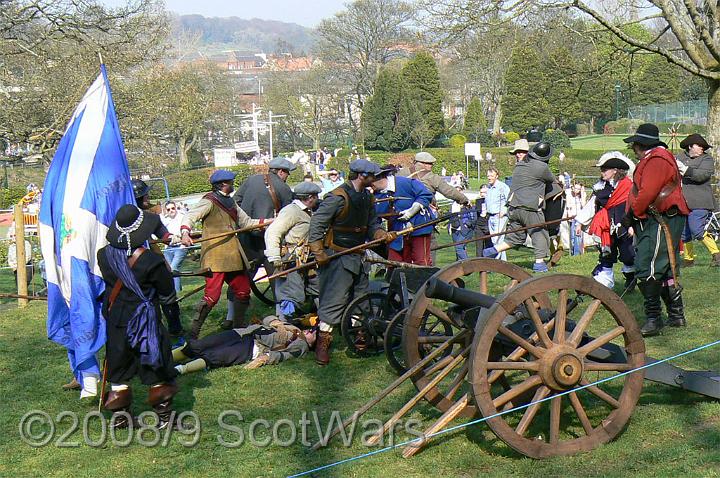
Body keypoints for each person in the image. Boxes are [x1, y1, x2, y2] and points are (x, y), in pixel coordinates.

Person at [98, 205, 179, 429]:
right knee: (155, 365)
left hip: (116, 319)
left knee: (119, 366)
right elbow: (167, 294)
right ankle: (165, 419)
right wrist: (173, 321)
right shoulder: (151, 261)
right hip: (145, 320)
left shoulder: (103, 256)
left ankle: (120, 418)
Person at [307, 159, 395, 365]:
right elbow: (317, 224)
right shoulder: (337, 197)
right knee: (333, 301)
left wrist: (380, 233)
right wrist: (318, 250)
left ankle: (359, 336)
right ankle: (322, 341)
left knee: (361, 300)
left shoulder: (367, 198)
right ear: (362, 176)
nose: (378, 180)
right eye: (374, 176)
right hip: (337, 257)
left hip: (358, 256)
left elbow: (372, 224)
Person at [623, 123, 690, 337]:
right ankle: (676, 315)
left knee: (648, 266)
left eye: (634, 144)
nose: (633, 148)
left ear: (641, 144)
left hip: (660, 218)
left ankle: (654, 318)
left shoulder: (657, 160)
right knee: (666, 267)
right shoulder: (655, 158)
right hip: (659, 218)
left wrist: (634, 213)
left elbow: (648, 192)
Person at [180, 170, 262, 339]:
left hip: (233, 256)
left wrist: (265, 222)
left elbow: (246, 223)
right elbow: (190, 216)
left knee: (243, 291)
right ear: (223, 184)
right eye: (231, 182)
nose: (233, 185)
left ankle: (238, 329)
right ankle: (193, 333)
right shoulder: (209, 201)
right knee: (211, 297)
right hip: (215, 257)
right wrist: (185, 232)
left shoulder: (231, 202)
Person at [232, 157, 296, 323]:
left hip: (246, 235)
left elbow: (235, 202)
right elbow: (288, 216)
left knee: (242, 275)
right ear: (281, 172)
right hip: (269, 238)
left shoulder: (251, 180)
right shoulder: (284, 188)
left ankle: (230, 316)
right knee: (277, 275)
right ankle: (281, 317)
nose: (287, 177)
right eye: (287, 173)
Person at [482, 140, 559, 272]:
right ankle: (539, 264)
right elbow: (553, 181)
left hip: (514, 207)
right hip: (530, 208)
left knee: (515, 237)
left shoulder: (519, 166)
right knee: (539, 233)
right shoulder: (542, 167)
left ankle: (492, 250)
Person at [172, 316, 315, 375]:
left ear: (313, 342)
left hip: (253, 348)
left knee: (216, 356)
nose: (311, 331)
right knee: (201, 344)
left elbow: (284, 355)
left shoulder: (301, 346)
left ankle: (179, 370)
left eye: (314, 334)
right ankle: (165, 358)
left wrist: (264, 358)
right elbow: (267, 318)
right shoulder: (294, 327)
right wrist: (276, 323)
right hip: (244, 333)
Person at [264, 182, 323, 322]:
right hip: (292, 259)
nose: (317, 199)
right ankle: (283, 326)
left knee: (318, 288)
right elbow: (272, 232)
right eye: (316, 197)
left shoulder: (309, 211)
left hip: (309, 258)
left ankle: (324, 322)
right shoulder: (291, 211)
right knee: (290, 294)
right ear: (309, 197)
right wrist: (274, 257)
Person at [132, 179, 184, 337]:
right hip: (134, 265)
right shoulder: (127, 219)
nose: (147, 197)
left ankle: (176, 331)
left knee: (169, 299)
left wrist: (171, 237)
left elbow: (162, 233)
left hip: (154, 262)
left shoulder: (150, 218)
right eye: (144, 195)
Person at [398, 152, 470, 262]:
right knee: (429, 248)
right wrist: (464, 200)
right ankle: (429, 272)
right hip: (422, 219)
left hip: (399, 219)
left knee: (402, 249)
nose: (431, 167)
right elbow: (449, 191)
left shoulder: (400, 174)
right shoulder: (431, 177)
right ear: (424, 164)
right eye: (431, 164)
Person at [579, 152, 636, 290]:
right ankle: (604, 286)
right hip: (606, 227)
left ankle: (630, 278)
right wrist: (580, 222)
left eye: (604, 169)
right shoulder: (600, 187)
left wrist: (632, 225)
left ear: (615, 170)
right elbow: (592, 205)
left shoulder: (628, 185)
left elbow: (634, 206)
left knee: (628, 255)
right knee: (606, 254)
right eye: (601, 169)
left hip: (624, 226)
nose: (602, 172)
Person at [372, 166, 435, 265]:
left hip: (419, 227)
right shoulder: (375, 196)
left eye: (372, 181)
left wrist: (412, 211)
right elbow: (374, 218)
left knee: (421, 261)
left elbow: (425, 194)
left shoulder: (405, 183)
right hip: (396, 232)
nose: (370, 185)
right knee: (394, 262)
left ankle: (423, 280)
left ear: (380, 178)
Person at [675, 133, 720, 267]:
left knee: (697, 229)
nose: (702, 148)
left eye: (703, 146)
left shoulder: (707, 159)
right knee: (684, 232)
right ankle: (688, 260)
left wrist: (684, 169)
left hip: (700, 201)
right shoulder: (680, 157)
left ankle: (717, 255)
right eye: (699, 146)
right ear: (690, 146)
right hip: (682, 201)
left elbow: (701, 176)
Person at [161, 201, 187, 292]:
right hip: (168, 248)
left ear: (176, 208)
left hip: (180, 247)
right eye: (168, 209)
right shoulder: (165, 220)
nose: (171, 211)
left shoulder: (182, 217)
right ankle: (175, 290)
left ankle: (176, 292)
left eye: (173, 208)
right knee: (169, 270)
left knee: (173, 268)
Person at [485, 167, 510, 260]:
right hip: (490, 217)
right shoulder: (489, 188)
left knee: (498, 240)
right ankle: (503, 263)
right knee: (495, 241)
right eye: (488, 176)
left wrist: (504, 211)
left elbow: (510, 201)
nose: (489, 178)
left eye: (492, 176)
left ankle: (495, 263)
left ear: (497, 176)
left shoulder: (502, 187)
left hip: (499, 217)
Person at [448, 187, 477, 260]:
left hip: (463, 230)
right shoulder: (453, 204)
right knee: (458, 249)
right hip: (454, 229)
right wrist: (449, 227)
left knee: (459, 247)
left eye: (458, 191)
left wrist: (467, 224)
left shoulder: (466, 203)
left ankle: (468, 264)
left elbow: (473, 215)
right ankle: (459, 267)